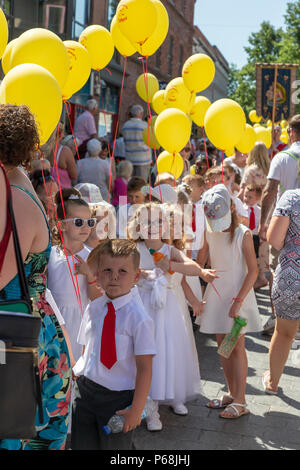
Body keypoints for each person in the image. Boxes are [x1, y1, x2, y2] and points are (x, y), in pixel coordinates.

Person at [0, 104, 72, 450]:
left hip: (16, 336)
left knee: (16, 429)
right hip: (28, 327)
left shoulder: (13, 198)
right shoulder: (17, 183)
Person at [129, 203, 218, 431]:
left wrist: (173, 265)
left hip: (168, 310)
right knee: (147, 354)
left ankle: (172, 392)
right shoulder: (133, 250)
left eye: (158, 222)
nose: (152, 226)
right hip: (142, 308)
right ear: (138, 226)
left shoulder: (170, 251)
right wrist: (143, 275)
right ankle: (150, 407)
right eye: (147, 222)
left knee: (170, 350)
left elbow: (191, 268)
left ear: (166, 226)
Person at [71, 239, 156, 450]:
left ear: (136, 276)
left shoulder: (139, 318)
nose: (114, 276)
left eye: (123, 271)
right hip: (86, 392)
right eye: (107, 270)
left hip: (118, 399)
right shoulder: (94, 307)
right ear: (97, 274)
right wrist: (78, 375)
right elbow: (86, 346)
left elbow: (145, 368)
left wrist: (136, 410)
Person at [197, 184, 262, 419]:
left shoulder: (242, 234)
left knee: (236, 347)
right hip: (216, 295)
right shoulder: (208, 230)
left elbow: (253, 271)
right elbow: (202, 259)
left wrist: (238, 301)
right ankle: (232, 393)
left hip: (237, 296)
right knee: (223, 347)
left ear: (232, 208)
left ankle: (241, 400)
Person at [48, 188, 101, 362]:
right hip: (55, 320)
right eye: (79, 222)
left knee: (77, 363)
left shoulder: (92, 256)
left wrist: (90, 275)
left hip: (80, 321)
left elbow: (96, 298)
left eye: (90, 222)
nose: (86, 227)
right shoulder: (50, 254)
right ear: (62, 225)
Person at [258, 115, 300, 334]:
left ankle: (278, 318)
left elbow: (269, 191)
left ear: (291, 132)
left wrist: (263, 223)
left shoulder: (282, 157)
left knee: (278, 268)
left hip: (283, 220)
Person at [262, 188, 300, 394]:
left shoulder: (292, 198)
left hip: (292, 277)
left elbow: (275, 239)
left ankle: (273, 383)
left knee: (284, 333)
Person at [243, 185, 268, 289]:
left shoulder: (260, 211)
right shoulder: (242, 209)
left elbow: (262, 224)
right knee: (244, 257)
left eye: (250, 197)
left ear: (258, 198)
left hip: (255, 238)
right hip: (245, 237)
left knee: (255, 258)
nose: (246, 199)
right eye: (245, 196)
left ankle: (255, 278)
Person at [121, 104, 151, 181]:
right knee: (141, 184)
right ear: (141, 114)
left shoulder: (125, 126)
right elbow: (150, 141)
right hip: (143, 160)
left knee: (130, 184)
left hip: (129, 159)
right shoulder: (145, 126)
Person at [46, 123, 78, 188]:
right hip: (62, 194)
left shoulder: (41, 150)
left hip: (44, 193)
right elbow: (74, 175)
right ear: (60, 135)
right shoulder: (65, 151)